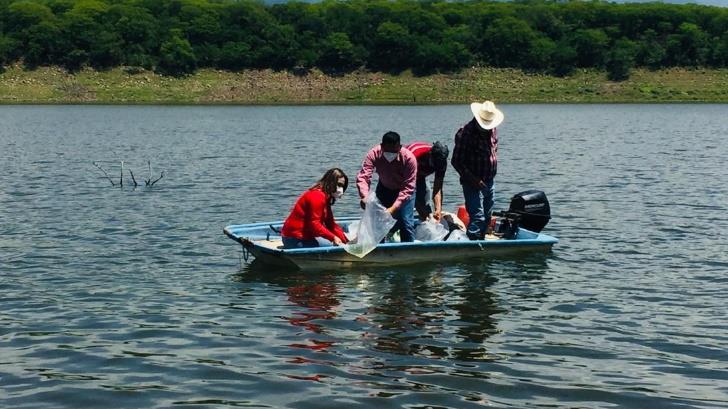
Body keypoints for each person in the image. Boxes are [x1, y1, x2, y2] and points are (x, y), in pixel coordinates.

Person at [451, 100, 504, 240]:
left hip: (489, 179)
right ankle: (472, 243)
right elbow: (456, 161)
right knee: (478, 216)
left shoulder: (493, 130)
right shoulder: (465, 133)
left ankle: (482, 238)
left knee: (488, 215)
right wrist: (474, 180)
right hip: (471, 181)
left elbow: (493, 150)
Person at [356, 131, 418, 242]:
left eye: (394, 151)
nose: (390, 154)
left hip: (404, 191)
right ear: (382, 146)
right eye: (387, 150)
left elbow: (408, 188)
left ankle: (408, 251)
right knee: (378, 223)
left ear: (399, 147)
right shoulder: (374, 153)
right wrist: (364, 196)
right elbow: (364, 176)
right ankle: (380, 249)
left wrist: (392, 209)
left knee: (406, 223)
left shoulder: (409, 159)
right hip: (384, 188)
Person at [281, 168, 349, 248]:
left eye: (342, 186)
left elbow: (331, 224)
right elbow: (315, 225)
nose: (340, 189)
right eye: (339, 185)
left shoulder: (326, 197)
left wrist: (346, 241)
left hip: (307, 236)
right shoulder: (317, 196)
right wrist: (333, 237)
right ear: (331, 182)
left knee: (341, 244)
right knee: (333, 245)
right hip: (294, 238)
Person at [405, 141, 449, 222]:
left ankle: (425, 222)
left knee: (426, 203)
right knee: (407, 206)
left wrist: (438, 209)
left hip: (420, 176)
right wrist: (421, 210)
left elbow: (437, 188)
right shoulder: (413, 155)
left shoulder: (442, 162)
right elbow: (407, 189)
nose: (437, 167)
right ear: (430, 154)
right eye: (435, 163)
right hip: (400, 176)